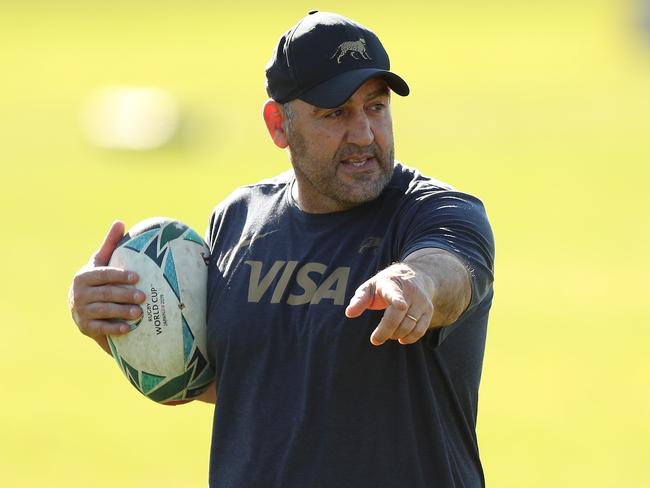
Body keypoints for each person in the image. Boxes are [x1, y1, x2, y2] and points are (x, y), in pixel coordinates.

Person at [69, 11, 495, 488]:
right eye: (335, 114)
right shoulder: (237, 220)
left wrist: (415, 283)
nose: (364, 134)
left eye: (375, 107)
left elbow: (451, 272)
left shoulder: (435, 212)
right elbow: (242, 386)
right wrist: (120, 324)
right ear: (278, 125)